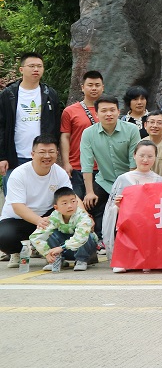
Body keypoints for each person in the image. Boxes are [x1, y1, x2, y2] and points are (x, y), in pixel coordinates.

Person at [0, 136, 71, 268]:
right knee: (4, 237)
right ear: (32, 154)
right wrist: (39, 221)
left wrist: (85, 216)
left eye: (51, 152)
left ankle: (48, 252)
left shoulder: (60, 173)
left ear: (57, 154)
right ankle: (17, 252)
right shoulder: (19, 174)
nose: (47, 156)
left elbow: (70, 198)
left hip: (47, 216)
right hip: (18, 219)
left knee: (69, 219)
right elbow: (18, 207)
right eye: (42, 152)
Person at [0, 53, 62, 194]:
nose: (36, 69)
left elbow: (56, 125)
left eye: (39, 66)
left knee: (42, 196)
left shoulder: (50, 94)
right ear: (21, 69)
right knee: (14, 198)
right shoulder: (8, 95)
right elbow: (1, 127)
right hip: (15, 156)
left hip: (43, 155)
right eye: (32, 66)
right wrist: (2, 157)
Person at [81, 95, 140, 239]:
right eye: (104, 111)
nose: (108, 114)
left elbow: (134, 162)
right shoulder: (88, 133)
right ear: (96, 113)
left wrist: (129, 189)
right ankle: (99, 239)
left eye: (112, 110)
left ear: (118, 112)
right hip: (104, 180)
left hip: (128, 180)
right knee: (91, 203)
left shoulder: (131, 129)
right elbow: (87, 164)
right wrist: (89, 192)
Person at [104, 139, 162, 272]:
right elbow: (111, 209)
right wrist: (118, 206)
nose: (145, 160)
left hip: (150, 224)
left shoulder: (160, 181)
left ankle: (148, 259)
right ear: (134, 155)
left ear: (155, 157)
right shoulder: (123, 179)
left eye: (150, 156)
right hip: (128, 224)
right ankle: (123, 260)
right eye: (141, 155)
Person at [30, 187, 98, 272]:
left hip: (83, 249)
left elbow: (81, 237)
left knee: (87, 235)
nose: (70, 206)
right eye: (64, 203)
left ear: (77, 203)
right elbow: (35, 236)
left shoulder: (83, 216)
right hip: (64, 250)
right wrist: (47, 253)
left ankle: (81, 260)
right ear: (56, 207)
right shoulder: (54, 217)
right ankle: (57, 259)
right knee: (49, 233)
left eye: (73, 201)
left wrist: (62, 247)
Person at [59, 70, 103, 198]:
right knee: (76, 202)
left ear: (102, 87)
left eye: (97, 85)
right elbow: (65, 137)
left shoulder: (108, 111)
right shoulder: (70, 111)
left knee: (98, 204)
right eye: (90, 85)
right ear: (83, 87)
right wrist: (66, 163)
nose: (94, 88)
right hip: (77, 166)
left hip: (102, 167)